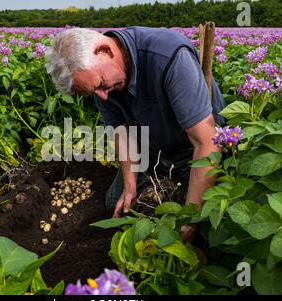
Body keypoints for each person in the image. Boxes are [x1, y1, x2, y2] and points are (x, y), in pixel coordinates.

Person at [45, 27, 226, 241]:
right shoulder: (101, 81)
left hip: (192, 152)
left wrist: (190, 223)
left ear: (104, 50)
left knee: (201, 225)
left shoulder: (168, 56)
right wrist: (130, 186)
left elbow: (207, 143)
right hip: (154, 149)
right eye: (94, 91)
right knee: (118, 204)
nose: (102, 96)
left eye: (101, 85)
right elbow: (122, 130)